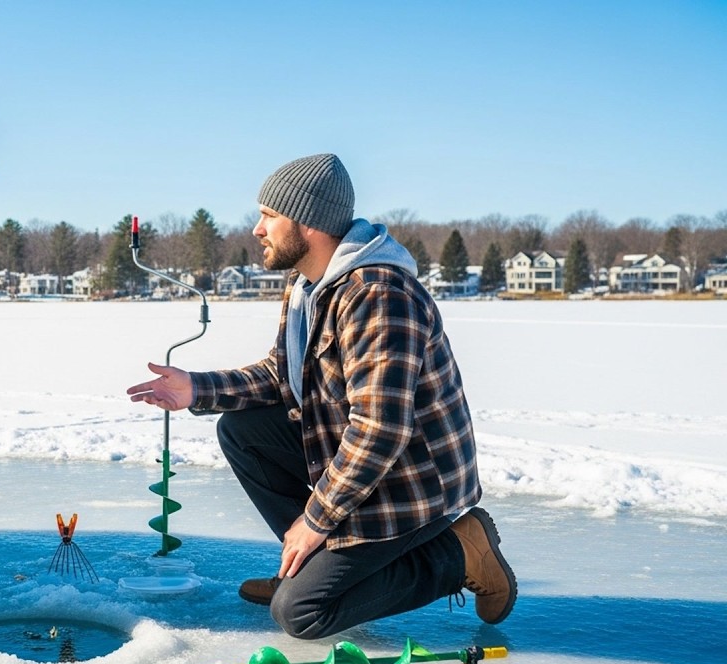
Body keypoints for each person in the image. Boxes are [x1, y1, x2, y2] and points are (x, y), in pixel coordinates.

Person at [125, 154, 515, 639]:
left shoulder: (378, 296)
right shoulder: (308, 285)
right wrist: (198, 388)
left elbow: (379, 431)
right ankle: (307, 567)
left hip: (410, 486)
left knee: (301, 614)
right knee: (242, 431)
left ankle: (459, 553)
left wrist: (314, 521)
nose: (257, 230)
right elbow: (282, 374)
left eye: (269, 216)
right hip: (368, 466)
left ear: (307, 222)